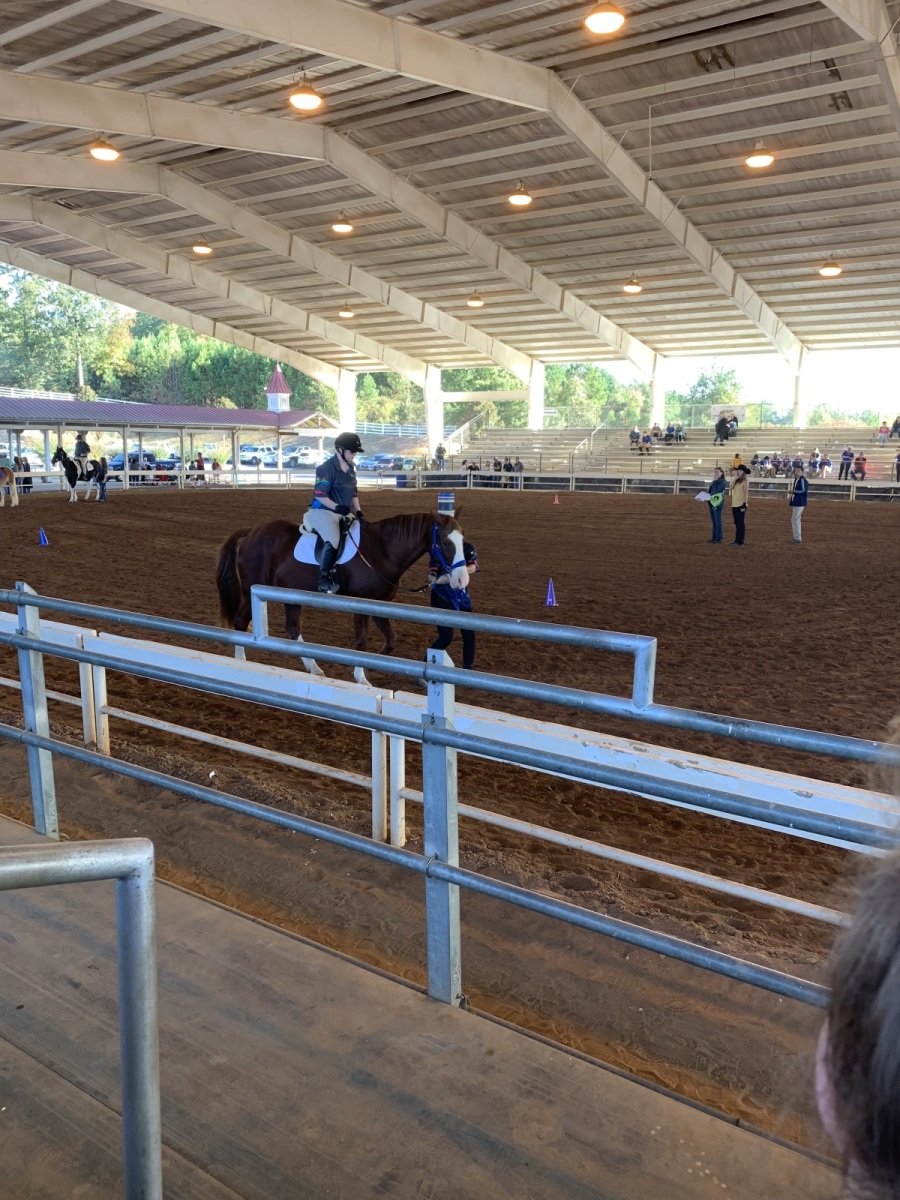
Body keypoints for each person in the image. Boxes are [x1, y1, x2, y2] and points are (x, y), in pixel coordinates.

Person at [304, 431, 364, 593]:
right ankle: (323, 580)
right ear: (340, 450)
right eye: (352, 451)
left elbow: (353, 493)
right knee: (333, 538)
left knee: (361, 532)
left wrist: (358, 512)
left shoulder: (351, 469)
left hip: (342, 512)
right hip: (322, 511)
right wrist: (337, 507)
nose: (354, 455)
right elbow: (320, 495)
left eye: (355, 452)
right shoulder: (325, 469)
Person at [428, 540, 479, 670]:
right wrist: (437, 580)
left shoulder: (467, 548)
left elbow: (473, 567)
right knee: (446, 637)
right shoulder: (439, 551)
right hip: (442, 596)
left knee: (469, 634)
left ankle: (468, 669)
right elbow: (431, 575)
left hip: (460, 597)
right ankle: (425, 666)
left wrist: (453, 574)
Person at [730, 463, 750, 546]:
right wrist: (735, 479)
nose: (738, 472)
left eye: (740, 470)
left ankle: (740, 541)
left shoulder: (745, 481)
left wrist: (744, 503)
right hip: (734, 504)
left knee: (740, 523)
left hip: (740, 504)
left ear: (744, 472)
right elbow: (730, 488)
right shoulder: (736, 480)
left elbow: (746, 493)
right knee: (737, 523)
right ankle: (737, 540)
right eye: (738, 470)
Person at [706, 467, 727, 543]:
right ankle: (715, 537)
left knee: (717, 521)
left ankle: (718, 538)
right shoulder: (717, 481)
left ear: (722, 473)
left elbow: (715, 492)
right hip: (713, 502)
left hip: (718, 503)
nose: (716, 473)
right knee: (715, 521)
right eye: (715, 472)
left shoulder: (722, 481)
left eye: (717, 472)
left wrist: (714, 482)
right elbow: (711, 492)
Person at [788, 463, 808, 543]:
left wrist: (794, 492)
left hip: (800, 502)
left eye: (798, 471)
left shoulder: (802, 480)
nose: (796, 472)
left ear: (802, 472)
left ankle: (797, 538)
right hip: (797, 502)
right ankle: (797, 537)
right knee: (796, 519)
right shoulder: (797, 480)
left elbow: (803, 491)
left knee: (794, 519)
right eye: (796, 471)